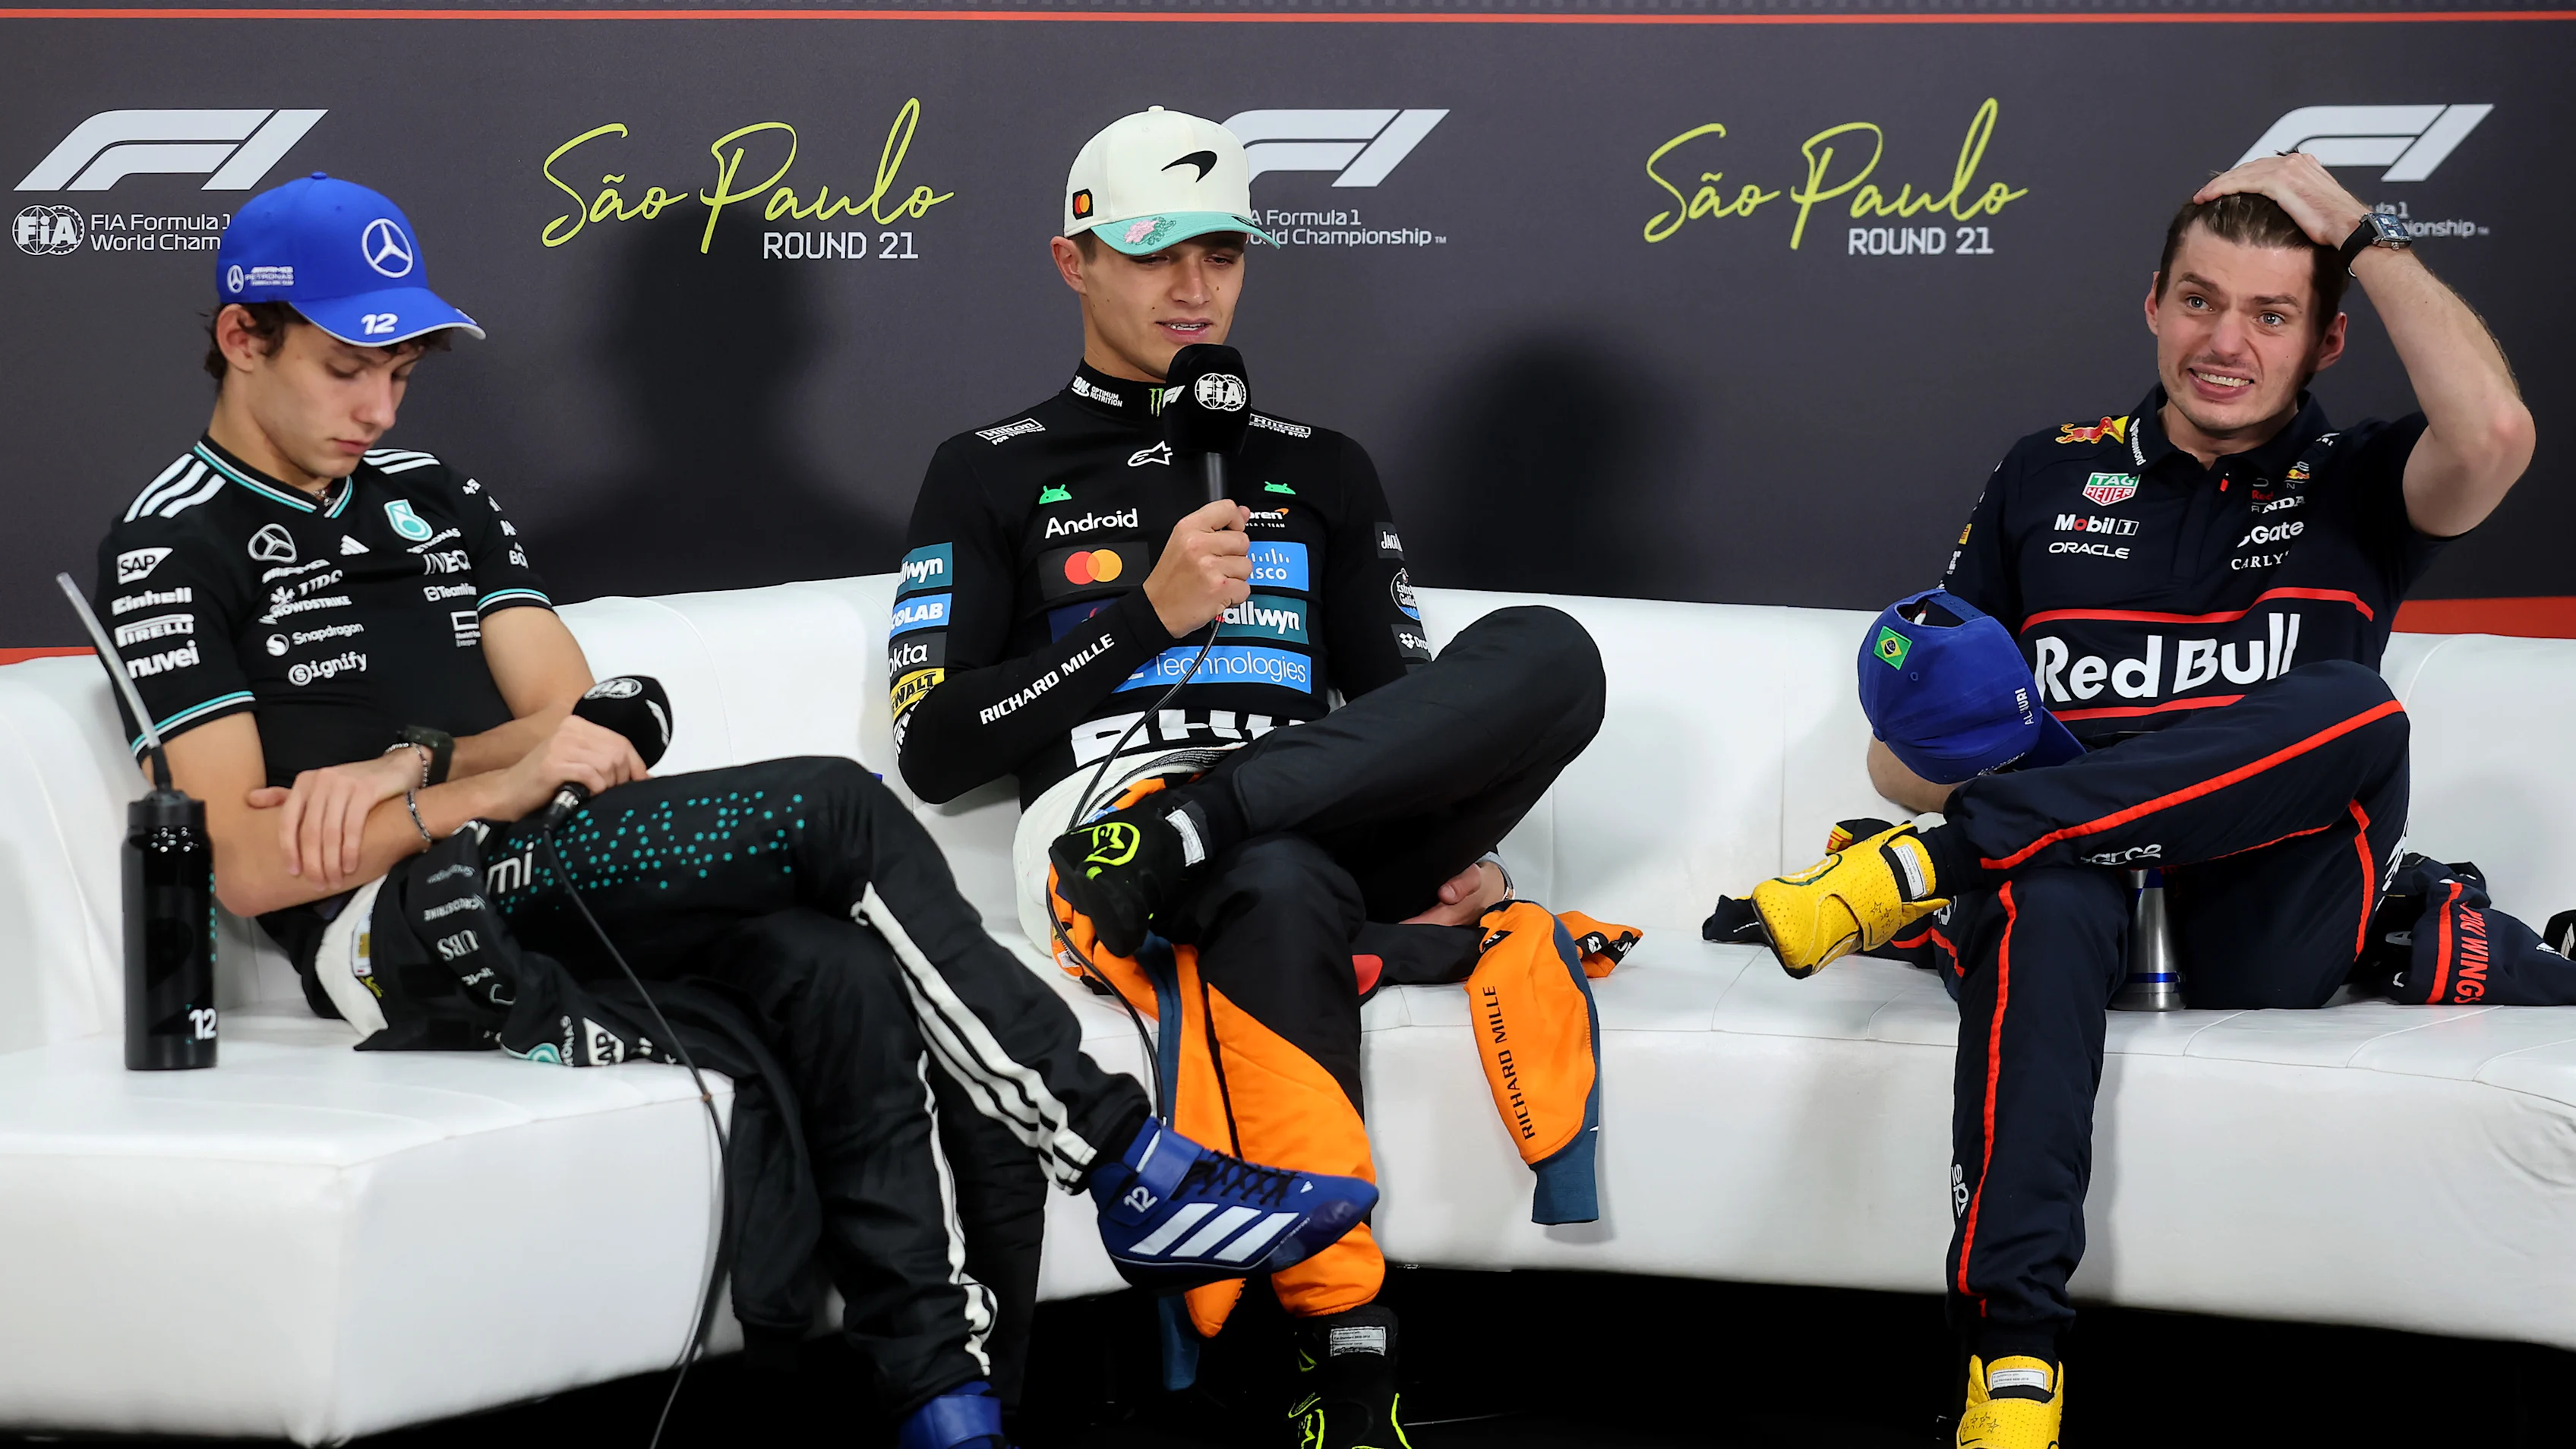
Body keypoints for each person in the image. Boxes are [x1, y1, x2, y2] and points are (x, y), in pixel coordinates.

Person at [95, 172, 1378, 1449]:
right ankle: (1125, 1160)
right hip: (390, 932)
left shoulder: (438, 498)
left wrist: (414, 757)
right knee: (830, 804)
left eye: (401, 375)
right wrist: (486, 782)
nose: (377, 408)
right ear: (241, 337)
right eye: (343, 369)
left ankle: (946, 1405)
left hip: (550, 857)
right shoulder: (171, 544)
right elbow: (249, 864)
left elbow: (587, 721)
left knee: (831, 971)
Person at [1747, 155, 2535, 1447]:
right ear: (2152, 305)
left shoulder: (2362, 480)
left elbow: (2499, 434)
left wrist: (2362, 232)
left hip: (2270, 910)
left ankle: (1924, 869)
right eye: (2199, 300)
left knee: (2355, 710)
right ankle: (2011, 1371)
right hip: (2070, 900)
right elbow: (1896, 767)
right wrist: (1948, 747)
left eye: (2272, 315)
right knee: (2050, 889)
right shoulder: (2043, 473)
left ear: (2327, 337)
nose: (2225, 342)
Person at [895, 107, 1605, 1447]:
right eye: (1157, 252)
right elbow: (934, 748)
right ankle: (1346, 1350)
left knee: (1554, 655)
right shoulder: (987, 472)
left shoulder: (1320, 465)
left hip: (1308, 813)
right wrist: (1141, 619)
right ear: (1073, 261)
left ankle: (1208, 830)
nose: (1193, 289)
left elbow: (1407, 706)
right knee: (1271, 875)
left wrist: (1472, 841)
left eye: (1221, 254)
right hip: (1116, 833)